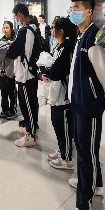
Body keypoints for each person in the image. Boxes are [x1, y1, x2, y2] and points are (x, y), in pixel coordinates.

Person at [67, 0, 105, 210]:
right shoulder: (81, 35)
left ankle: (83, 209)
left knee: (87, 155)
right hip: (79, 101)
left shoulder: (95, 36)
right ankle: (96, 184)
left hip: (89, 104)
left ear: (88, 11)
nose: (72, 11)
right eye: (71, 8)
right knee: (84, 149)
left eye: (76, 8)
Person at [43, 17, 77, 170]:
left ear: (61, 31)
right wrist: (44, 72)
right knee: (56, 123)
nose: (51, 30)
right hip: (54, 91)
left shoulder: (67, 47)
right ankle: (62, 149)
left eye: (53, 27)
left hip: (63, 94)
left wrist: (48, 70)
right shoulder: (57, 45)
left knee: (63, 125)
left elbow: (58, 70)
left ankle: (67, 157)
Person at [6, 4, 40, 147]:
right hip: (30, 72)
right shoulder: (34, 28)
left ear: (19, 14)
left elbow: (14, 51)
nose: (15, 19)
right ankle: (29, 127)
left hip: (25, 74)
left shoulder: (25, 30)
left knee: (27, 105)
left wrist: (7, 49)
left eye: (15, 16)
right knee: (31, 102)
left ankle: (31, 135)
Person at [0, 21, 17, 120]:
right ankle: (4, 109)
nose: (5, 30)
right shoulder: (0, 41)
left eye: (7, 28)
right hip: (2, 70)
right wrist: (0, 70)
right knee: (3, 91)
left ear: (11, 29)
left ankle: (13, 110)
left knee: (11, 91)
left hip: (12, 70)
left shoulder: (16, 41)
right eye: (4, 28)